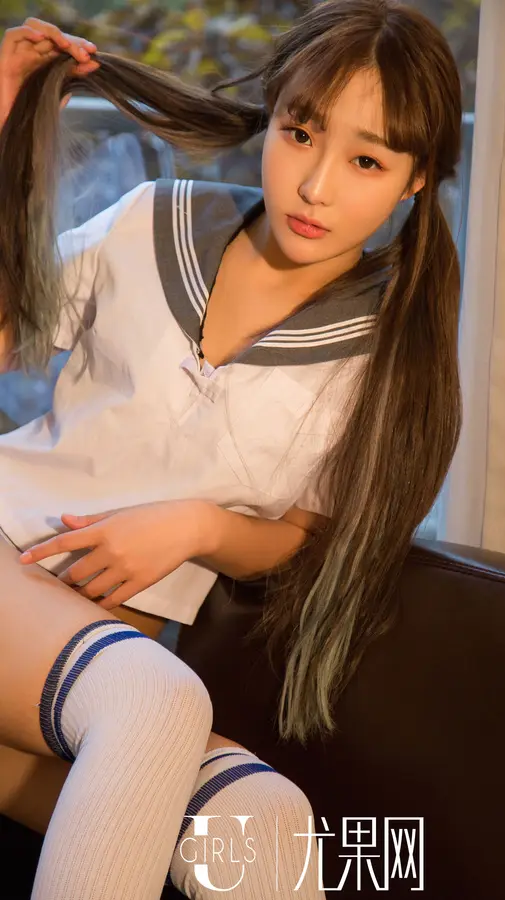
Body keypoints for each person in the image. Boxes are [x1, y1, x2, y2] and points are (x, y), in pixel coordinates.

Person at [0, 1, 463, 897]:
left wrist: (199, 526)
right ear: (273, 115)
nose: (316, 186)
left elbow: (310, 539)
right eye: (300, 133)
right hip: (26, 567)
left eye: (366, 161)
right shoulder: (151, 221)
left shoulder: (384, 358)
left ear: (415, 180)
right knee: (156, 702)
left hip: (88, 667)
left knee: (268, 823)